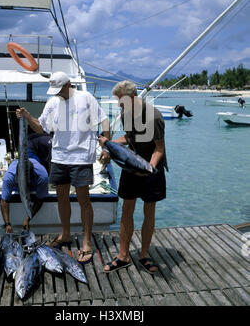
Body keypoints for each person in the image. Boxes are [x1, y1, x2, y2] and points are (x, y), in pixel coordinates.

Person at [16, 71, 110, 264]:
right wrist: (27, 116)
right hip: (59, 157)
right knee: (62, 199)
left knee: (84, 200)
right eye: (55, 91)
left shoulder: (86, 98)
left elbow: (104, 120)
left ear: (68, 84)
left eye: (60, 89)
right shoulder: (53, 103)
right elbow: (41, 128)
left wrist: (106, 146)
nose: (58, 94)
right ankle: (65, 234)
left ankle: (86, 242)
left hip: (82, 156)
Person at [99, 80, 168, 274]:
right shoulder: (125, 113)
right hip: (131, 166)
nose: (119, 105)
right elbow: (129, 139)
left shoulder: (153, 117)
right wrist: (110, 145)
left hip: (152, 168)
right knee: (126, 209)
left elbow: (159, 149)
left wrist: (148, 169)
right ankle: (123, 256)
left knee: (149, 211)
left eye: (121, 101)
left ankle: (144, 255)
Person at [0, 132, 53, 233]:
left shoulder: (42, 176)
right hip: (25, 152)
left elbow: (40, 198)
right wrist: (7, 224)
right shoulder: (9, 177)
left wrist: (28, 218)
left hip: (35, 153)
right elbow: (4, 200)